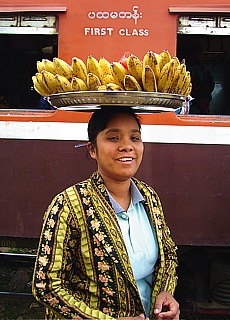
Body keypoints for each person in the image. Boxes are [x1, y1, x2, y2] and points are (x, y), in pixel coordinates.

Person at [32, 106, 179, 320]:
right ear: (93, 149)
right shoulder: (69, 205)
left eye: (135, 138)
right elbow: (46, 285)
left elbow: (169, 255)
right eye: (113, 138)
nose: (127, 146)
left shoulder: (149, 197)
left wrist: (166, 293)